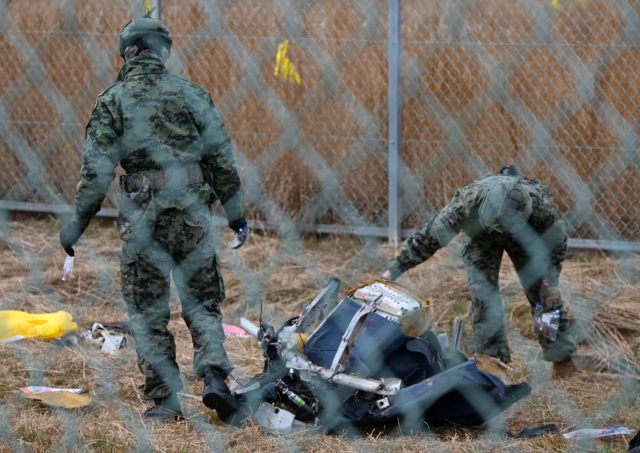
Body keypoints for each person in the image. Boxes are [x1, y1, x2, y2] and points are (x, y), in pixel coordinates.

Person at [59, 12, 249, 421]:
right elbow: (221, 160)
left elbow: (96, 173)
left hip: (145, 221)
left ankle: (164, 399)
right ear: (163, 53)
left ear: (128, 54)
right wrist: (235, 215)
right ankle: (215, 374)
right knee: (202, 303)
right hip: (193, 215)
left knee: (147, 310)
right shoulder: (194, 94)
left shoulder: (113, 100)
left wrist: (76, 224)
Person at [382, 165, 587, 380]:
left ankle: (563, 363)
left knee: (546, 296)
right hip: (481, 235)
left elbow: (556, 244)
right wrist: (391, 272)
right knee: (484, 296)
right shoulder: (467, 204)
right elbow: (428, 238)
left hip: (526, 237)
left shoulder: (540, 206)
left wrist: (549, 279)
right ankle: (494, 366)